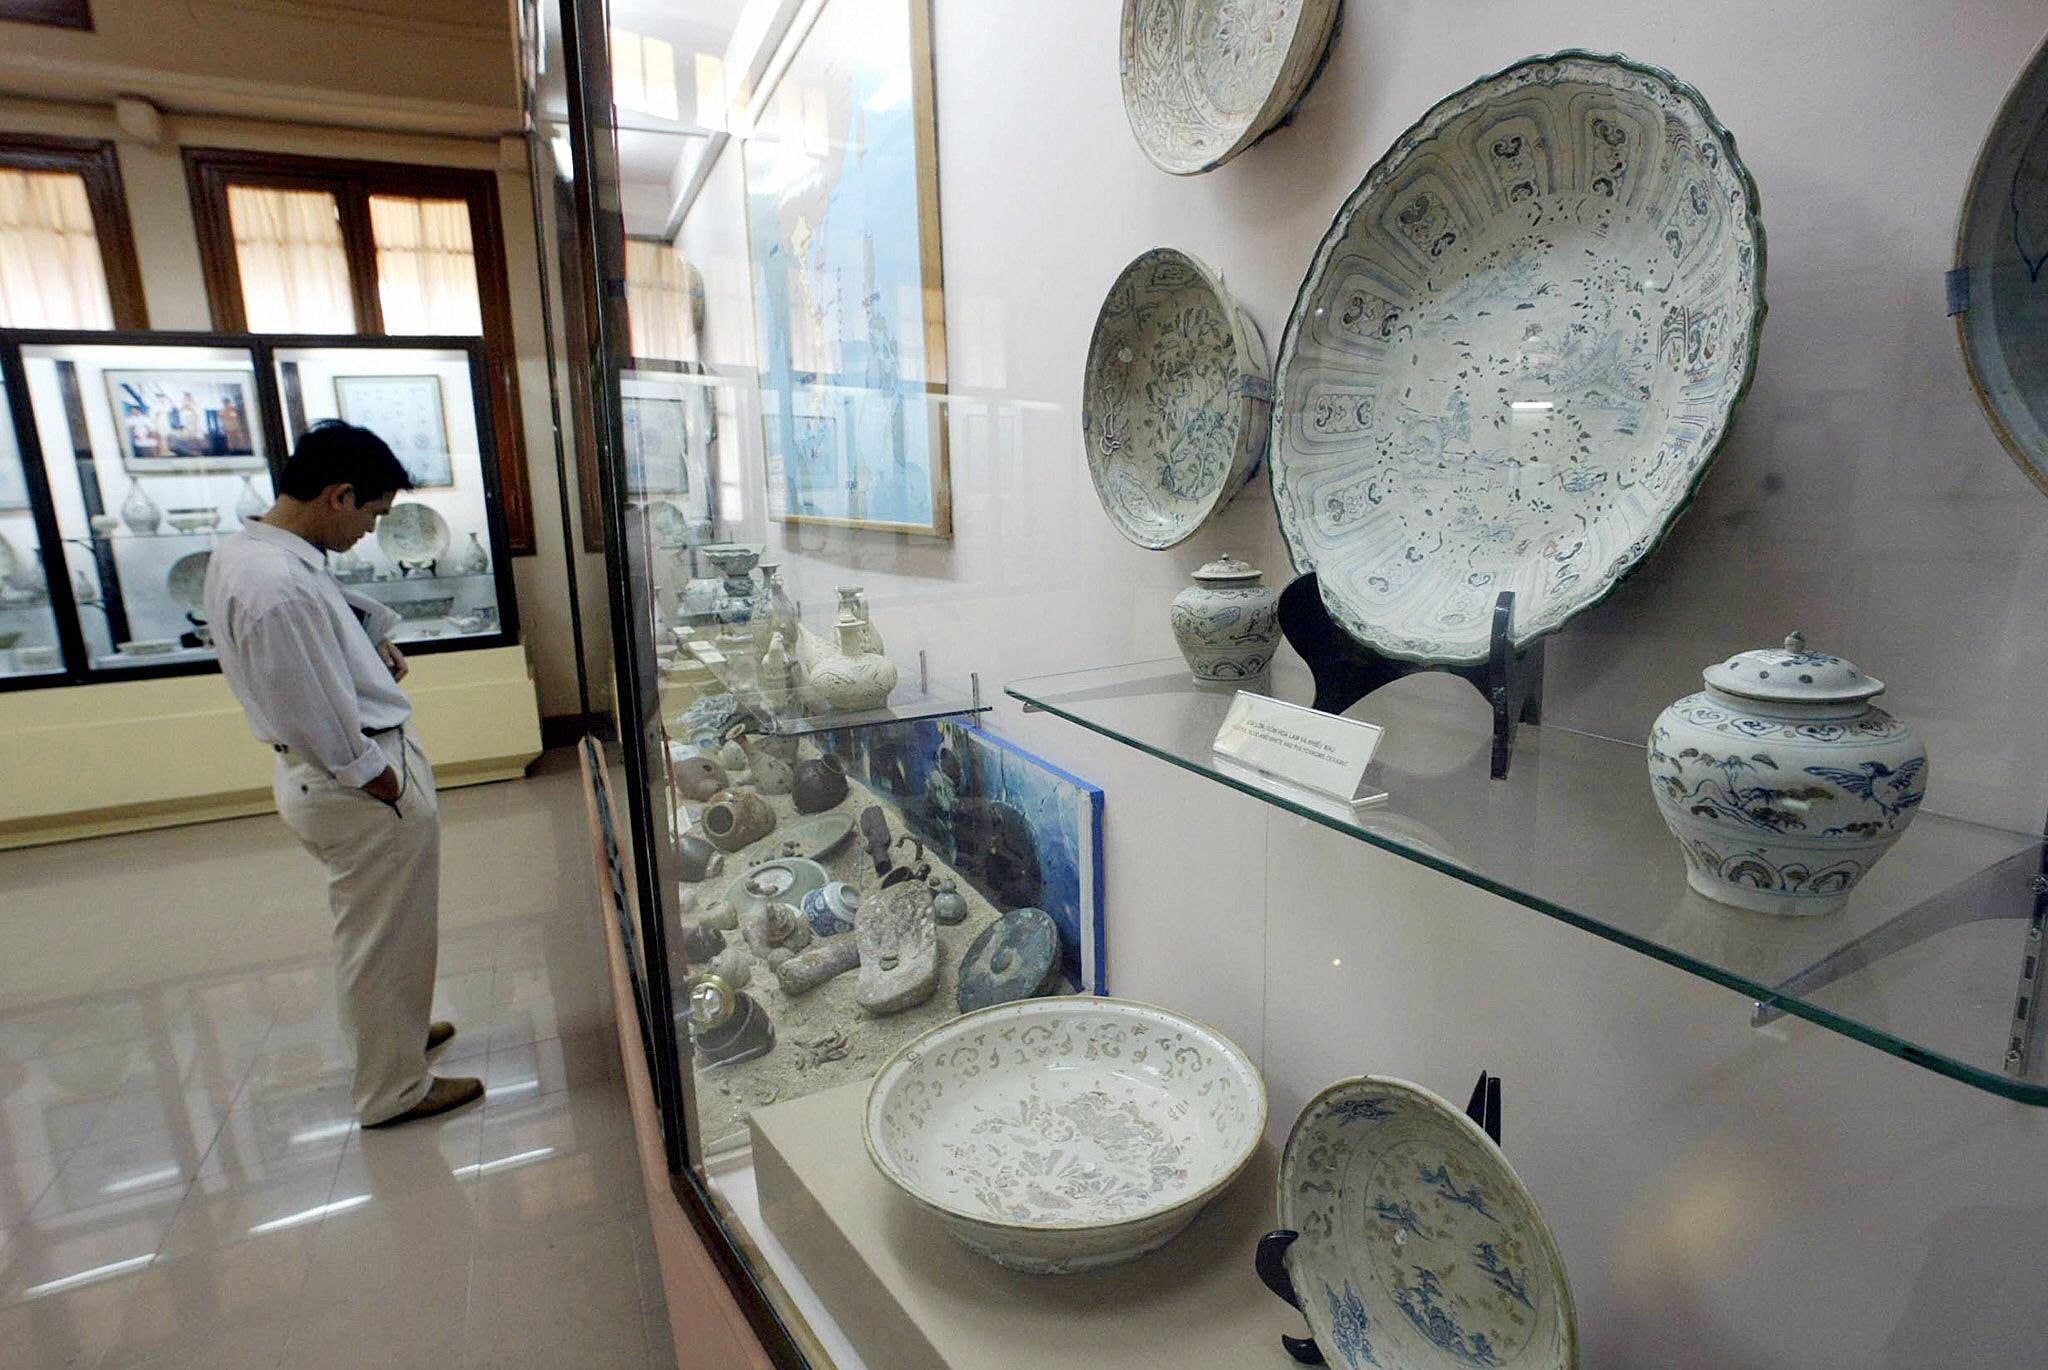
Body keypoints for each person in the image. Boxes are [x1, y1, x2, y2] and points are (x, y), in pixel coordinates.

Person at [203, 421, 481, 1128]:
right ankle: (393, 1089)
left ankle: (400, 1035)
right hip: (355, 782)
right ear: (339, 495)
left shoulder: (263, 555)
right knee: (380, 938)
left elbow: (319, 631)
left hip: (347, 775)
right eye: (372, 515)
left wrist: (369, 640)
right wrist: (378, 780)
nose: (368, 533)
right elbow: (308, 708)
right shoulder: (276, 586)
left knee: (394, 929)